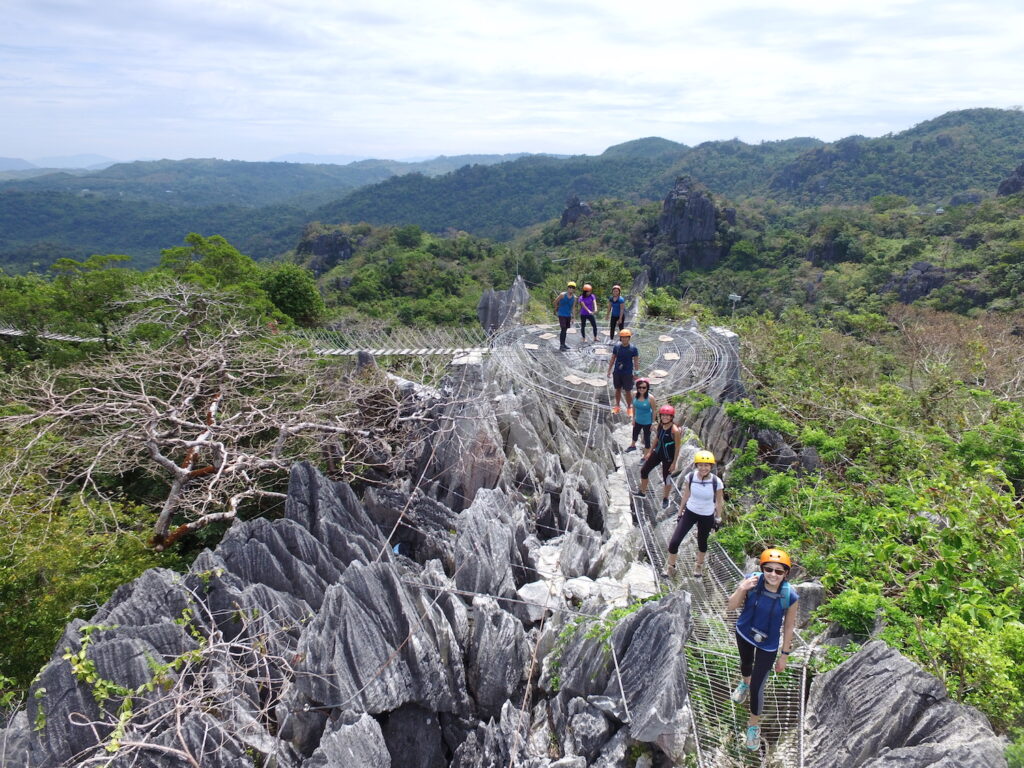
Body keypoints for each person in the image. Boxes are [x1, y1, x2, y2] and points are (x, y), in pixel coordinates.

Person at [726, 548, 799, 752]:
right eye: (769, 569)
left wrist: (784, 656)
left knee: (759, 686)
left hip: (768, 645)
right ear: (762, 568)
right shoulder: (751, 582)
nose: (773, 574)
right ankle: (744, 683)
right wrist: (742, 588)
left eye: (779, 571)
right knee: (746, 664)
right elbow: (731, 607)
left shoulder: (790, 596)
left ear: (786, 574)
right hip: (745, 634)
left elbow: (789, 626)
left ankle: (753, 725)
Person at [664, 450, 724, 578]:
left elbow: (719, 501)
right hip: (690, 512)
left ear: (711, 466)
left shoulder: (716, 482)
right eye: (700, 465)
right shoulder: (690, 477)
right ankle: (671, 567)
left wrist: (718, 518)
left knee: (702, 543)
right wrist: (680, 513)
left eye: (706, 465)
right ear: (696, 465)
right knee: (674, 542)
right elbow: (686, 495)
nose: (703, 468)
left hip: (707, 516)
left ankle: (698, 566)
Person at [637, 404, 682, 509]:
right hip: (657, 453)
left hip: (668, 457)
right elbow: (657, 438)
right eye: (663, 415)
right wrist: (650, 452)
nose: (665, 417)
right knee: (644, 470)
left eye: (668, 416)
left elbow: (677, 448)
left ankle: (665, 498)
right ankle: (642, 492)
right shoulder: (661, 425)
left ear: (671, 417)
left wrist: (674, 463)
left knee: (666, 478)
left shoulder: (674, 431)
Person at [606, 328, 639, 415]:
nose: (624, 339)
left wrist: (636, 373)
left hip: (627, 373)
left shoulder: (633, 349)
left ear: (629, 338)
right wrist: (609, 370)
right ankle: (617, 406)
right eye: (622, 337)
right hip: (617, 372)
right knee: (618, 389)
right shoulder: (617, 347)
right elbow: (613, 358)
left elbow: (636, 361)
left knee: (628, 390)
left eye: (626, 337)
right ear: (620, 338)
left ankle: (629, 407)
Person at [625, 378, 655, 452]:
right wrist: (633, 418)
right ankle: (633, 445)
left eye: (644, 387)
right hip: (638, 419)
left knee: (646, 438)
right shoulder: (635, 394)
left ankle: (646, 456)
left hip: (647, 422)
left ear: (647, 388)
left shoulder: (650, 398)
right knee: (635, 433)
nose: (641, 389)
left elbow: (654, 411)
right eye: (639, 387)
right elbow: (634, 406)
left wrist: (653, 423)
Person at [553, 282, 578, 350]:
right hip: (561, 314)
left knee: (565, 330)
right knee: (563, 329)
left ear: (574, 289)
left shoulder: (574, 298)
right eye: (569, 287)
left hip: (568, 315)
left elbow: (573, 308)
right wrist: (556, 308)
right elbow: (555, 302)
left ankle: (563, 344)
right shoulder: (562, 295)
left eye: (572, 288)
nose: (571, 289)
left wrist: (573, 317)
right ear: (567, 288)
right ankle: (561, 345)